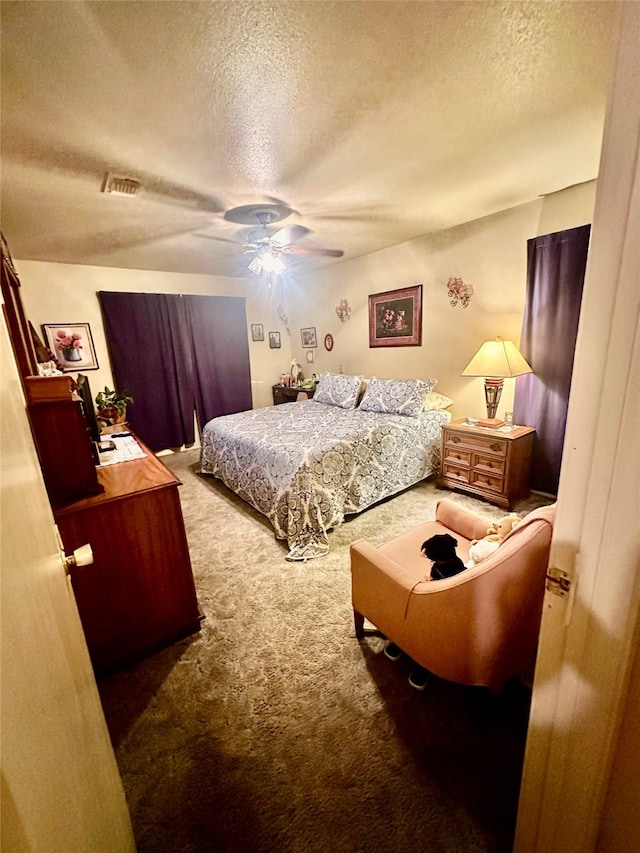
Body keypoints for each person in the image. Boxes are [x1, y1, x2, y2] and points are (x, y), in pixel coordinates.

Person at [384, 533, 466, 690]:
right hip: (448, 599)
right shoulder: (457, 562)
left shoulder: (439, 569)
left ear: (437, 559)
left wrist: (428, 585)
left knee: (419, 621)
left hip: (443, 606)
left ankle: (423, 663)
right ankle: (406, 644)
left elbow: (440, 592)